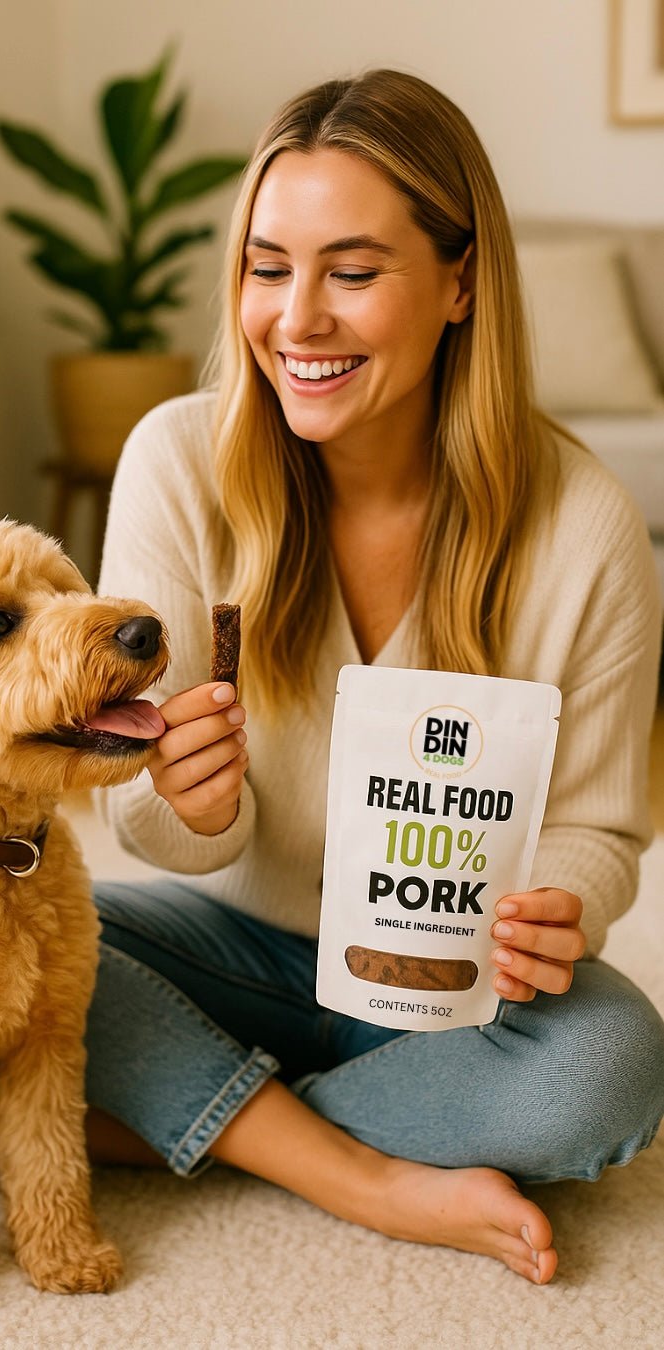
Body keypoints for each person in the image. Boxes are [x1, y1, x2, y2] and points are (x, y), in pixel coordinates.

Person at [81, 68, 664, 1284]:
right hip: (233, 945)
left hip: (451, 988)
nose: (297, 320)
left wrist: (556, 907)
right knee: (8, 944)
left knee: (610, 1066)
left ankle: (207, 1117)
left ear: (460, 284)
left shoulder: (587, 525)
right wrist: (186, 800)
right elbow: (143, 821)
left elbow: (599, 827)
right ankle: (358, 1169)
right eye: (267, 268)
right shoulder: (176, 462)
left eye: (351, 272)